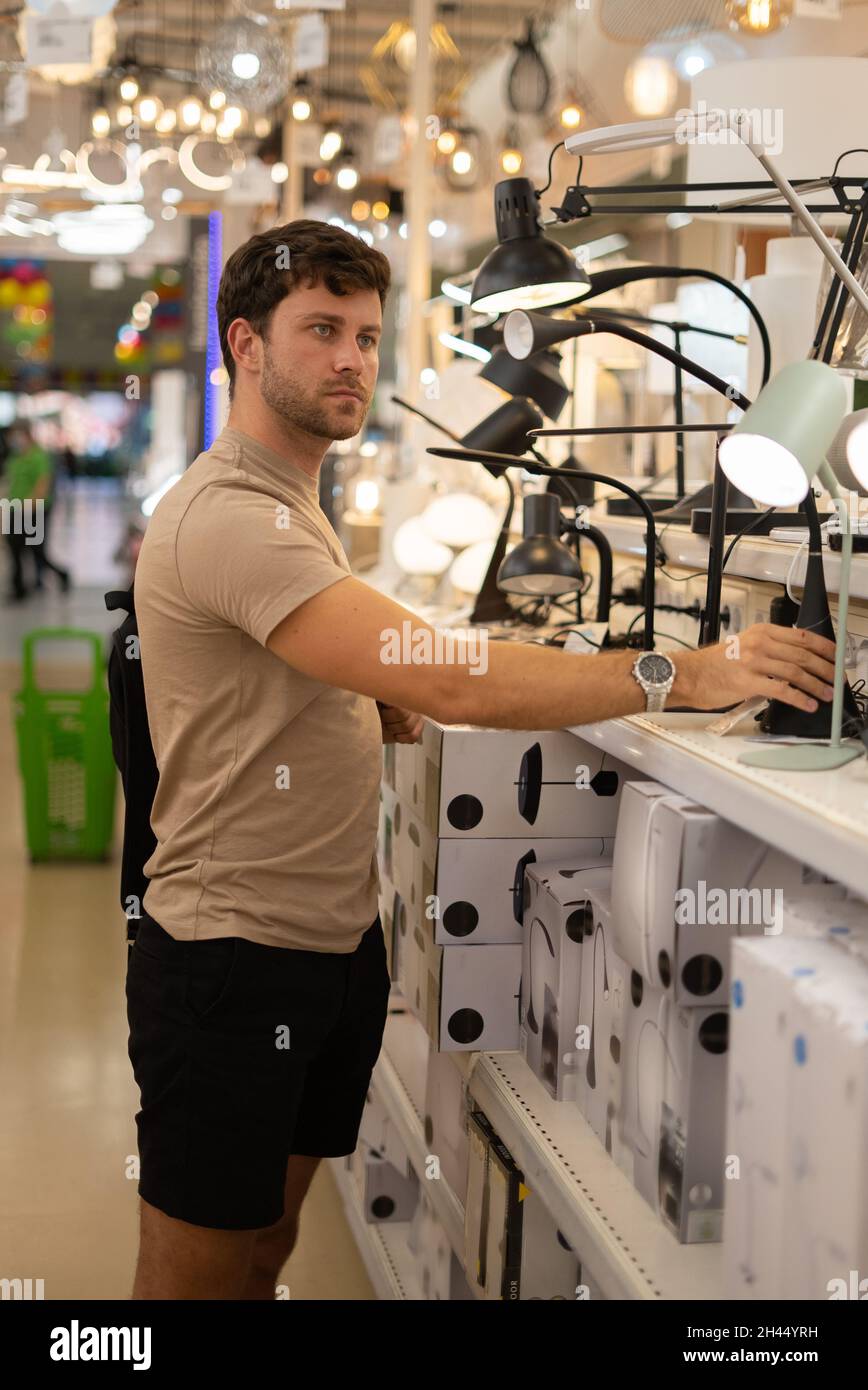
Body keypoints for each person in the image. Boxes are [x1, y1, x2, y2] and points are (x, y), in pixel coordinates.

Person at [129, 219, 838, 1301]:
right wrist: (678, 674)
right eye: (320, 331)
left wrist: (352, 698)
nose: (351, 361)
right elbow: (450, 677)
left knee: (268, 1245)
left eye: (366, 336)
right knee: (197, 1274)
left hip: (329, 943)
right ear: (245, 344)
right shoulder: (232, 515)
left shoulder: (292, 507)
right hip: (231, 957)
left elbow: (280, 671)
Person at [2, 421, 69, 601]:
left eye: (18, 435)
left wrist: (31, 504)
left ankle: (61, 574)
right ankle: (19, 588)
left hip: (34, 509)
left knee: (36, 549)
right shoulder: (15, 457)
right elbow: (11, 481)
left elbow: (43, 482)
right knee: (14, 547)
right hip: (15, 507)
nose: (15, 439)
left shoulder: (38, 455)